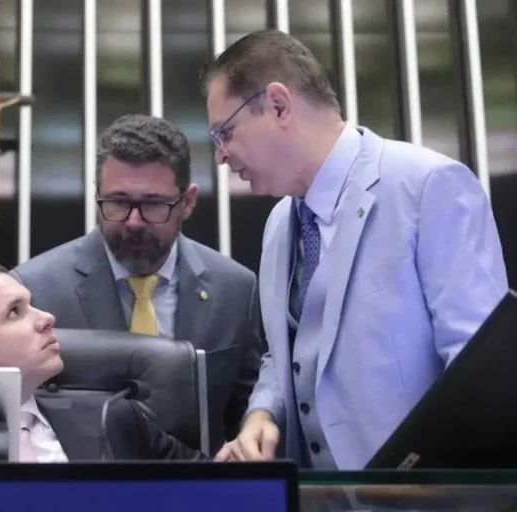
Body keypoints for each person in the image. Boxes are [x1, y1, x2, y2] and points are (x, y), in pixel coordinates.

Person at [203, 29, 509, 469]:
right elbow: (289, 352)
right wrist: (262, 413)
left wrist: (423, 483)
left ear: (279, 105)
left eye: (224, 132)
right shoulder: (278, 224)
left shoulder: (428, 186)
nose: (221, 156)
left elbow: (480, 368)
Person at [10, 114, 264, 454]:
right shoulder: (35, 290)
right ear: (97, 194)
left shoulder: (235, 290)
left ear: (187, 202)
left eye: (153, 205)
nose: (133, 222)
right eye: (118, 202)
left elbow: (249, 410)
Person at [0, 262, 208, 465]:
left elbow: (212, 485)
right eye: (15, 312)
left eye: (32, 304)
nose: (46, 318)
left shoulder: (113, 416)